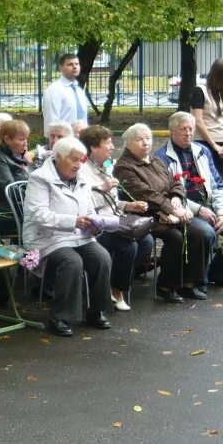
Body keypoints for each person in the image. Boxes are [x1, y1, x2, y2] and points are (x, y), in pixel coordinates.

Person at [113, 124, 213, 303]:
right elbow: (144, 194)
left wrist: (176, 197)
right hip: (146, 213)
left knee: (202, 232)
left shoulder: (156, 161)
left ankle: (190, 283)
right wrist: (172, 209)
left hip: (171, 209)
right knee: (176, 237)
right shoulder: (124, 167)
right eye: (139, 139)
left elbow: (175, 182)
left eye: (148, 138)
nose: (146, 143)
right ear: (128, 144)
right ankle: (166, 286)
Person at [23, 137, 112, 336]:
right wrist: (73, 221)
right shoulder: (39, 178)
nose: (78, 165)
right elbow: (38, 215)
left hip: (78, 235)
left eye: (81, 160)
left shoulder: (82, 179)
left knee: (101, 257)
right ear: (59, 157)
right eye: (74, 160)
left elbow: (88, 210)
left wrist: (95, 224)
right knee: (72, 261)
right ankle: (59, 317)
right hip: (46, 237)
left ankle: (97, 311)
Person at [157, 112, 223, 289]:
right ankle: (196, 281)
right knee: (206, 232)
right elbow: (168, 196)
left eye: (191, 129)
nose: (188, 133)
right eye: (182, 129)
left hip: (210, 205)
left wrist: (222, 213)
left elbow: (218, 186)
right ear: (171, 131)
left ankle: (217, 274)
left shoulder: (202, 151)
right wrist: (198, 210)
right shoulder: (162, 158)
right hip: (184, 210)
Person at [79, 125, 153, 312]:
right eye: (108, 143)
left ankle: (116, 282)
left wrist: (129, 205)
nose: (112, 147)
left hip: (114, 218)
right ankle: (116, 291)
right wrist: (102, 188)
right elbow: (83, 203)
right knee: (129, 246)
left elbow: (113, 202)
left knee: (147, 241)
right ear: (94, 147)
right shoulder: (81, 170)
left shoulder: (104, 166)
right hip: (95, 225)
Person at [0, 120, 33, 237]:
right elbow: (11, 190)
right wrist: (36, 195)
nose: (25, 143)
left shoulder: (18, 157)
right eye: (21, 139)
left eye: (26, 139)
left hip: (22, 209)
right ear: (7, 139)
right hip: (7, 213)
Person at [192, 58, 223, 178]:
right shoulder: (200, 91)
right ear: (220, 75)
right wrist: (214, 145)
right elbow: (198, 121)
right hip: (203, 143)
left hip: (222, 146)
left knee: (219, 181)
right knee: (204, 182)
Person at [41, 53, 90, 130]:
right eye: (70, 64)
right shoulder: (54, 90)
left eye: (77, 64)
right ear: (61, 68)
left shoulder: (78, 90)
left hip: (81, 138)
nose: (74, 67)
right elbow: (51, 120)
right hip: (63, 138)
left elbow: (84, 119)